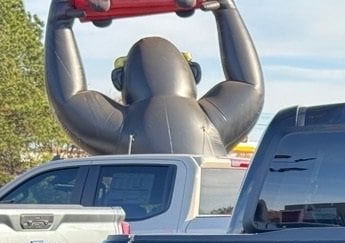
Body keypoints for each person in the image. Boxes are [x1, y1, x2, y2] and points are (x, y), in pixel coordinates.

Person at [45, 0, 263, 156]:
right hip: (215, 214)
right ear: (193, 73)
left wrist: (59, 22)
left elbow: (69, 97)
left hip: (134, 215)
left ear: (119, 80)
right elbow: (248, 85)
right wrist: (226, 10)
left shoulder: (121, 127)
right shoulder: (213, 121)